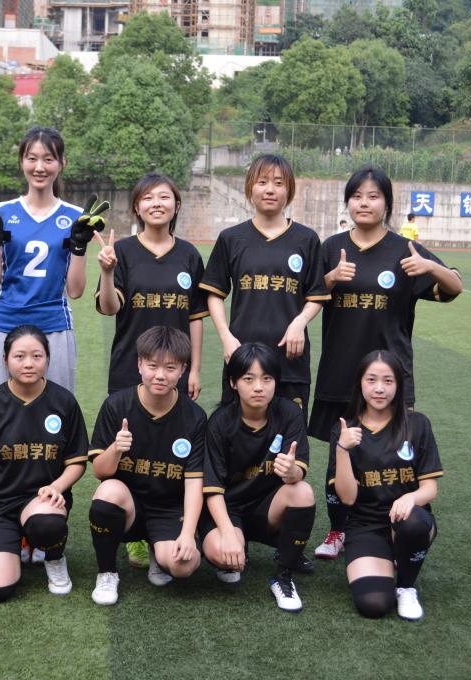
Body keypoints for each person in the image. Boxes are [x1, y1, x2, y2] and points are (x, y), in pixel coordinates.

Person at [309, 165, 461, 561]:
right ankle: (339, 531)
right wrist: (330, 279)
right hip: (341, 372)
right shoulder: (331, 247)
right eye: (357, 196)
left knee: (393, 455)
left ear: (387, 204)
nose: (364, 203)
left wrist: (431, 267)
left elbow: (455, 287)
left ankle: (395, 527)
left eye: (373, 196)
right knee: (340, 454)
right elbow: (304, 297)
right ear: (348, 202)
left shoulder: (404, 250)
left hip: (391, 378)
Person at [94, 172, 209, 570]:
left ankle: (165, 524)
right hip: (130, 367)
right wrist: (107, 271)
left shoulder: (189, 255)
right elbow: (109, 307)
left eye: (164, 197)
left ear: (177, 205)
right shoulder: (122, 251)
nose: (156, 203)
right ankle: (133, 532)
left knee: (167, 447)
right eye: (148, 197)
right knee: (127, 447)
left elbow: (196, 317)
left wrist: (194, 368)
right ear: (137, 206)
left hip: (174, 371)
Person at [0, 126, 109, 394]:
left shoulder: (75, 216)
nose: (39, 167)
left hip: (54, 323)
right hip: (6, 321)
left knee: (56, 406)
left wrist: (79, 247)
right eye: (32, 158)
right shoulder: (0, 213)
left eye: (48, 159)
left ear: (62, 163)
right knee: (2, 407)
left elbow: (75, 290)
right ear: (21, 161)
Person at [0, 325, 89, 602]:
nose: (28, 363)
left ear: (48, 358)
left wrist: (57, 487)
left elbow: (77, 462)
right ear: (5, 359)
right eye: (19, 356)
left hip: (43, 500)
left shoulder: (64, 402)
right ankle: (15, 542)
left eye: (37, 356)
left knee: (47, 525)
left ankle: (53, 557)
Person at [200, 154, 330, 415]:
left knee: (289, 434)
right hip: (241, 357)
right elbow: (214, 294)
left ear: (289, 190)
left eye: (279, 183)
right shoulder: (231, 238)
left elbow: (316, 294)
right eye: (262, 182)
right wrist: (226, 337)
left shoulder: (306, 239)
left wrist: (300, 322)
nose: (270, 189)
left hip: (290, 360)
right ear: (250, 187)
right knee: (237, 434)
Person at [87, 327, 206, 605]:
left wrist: (188, 534)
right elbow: (100, 472)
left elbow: (193, 481)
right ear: (140, 364)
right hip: (129, 505)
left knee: (183, 566)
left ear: (183, 370)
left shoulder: (195, 417)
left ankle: (157, 549)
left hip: (168, 509)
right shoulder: (116, 405)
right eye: (152, 366)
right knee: (108, 493)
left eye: (170, 368)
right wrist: (116, 448)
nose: (160, 375)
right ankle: (107, 573)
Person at [200, 343, 316, 613]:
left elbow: (298, 471)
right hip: (229, 508)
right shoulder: (220, 422)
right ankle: (237, 544)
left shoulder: (289, 413)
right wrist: (228, 534)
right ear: (233, 382)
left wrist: (291, 472)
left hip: (267, 506)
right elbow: (213, 489)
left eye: (267, 379)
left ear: (276, 381)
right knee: (227, 558)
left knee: (302, 491)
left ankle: (283, 575)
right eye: (248, 379)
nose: (258, 387)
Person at [331, 351, 443, 621]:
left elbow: (430, 489)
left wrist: (411, 498)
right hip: (365, 526)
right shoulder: (346, 429)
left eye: (388, 381)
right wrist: (342, 449)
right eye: (371, 380)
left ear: (399, 385)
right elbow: (347, 498)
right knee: (374, 604)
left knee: (412, 522)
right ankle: (390, 558)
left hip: (407, 519)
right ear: (360, 383)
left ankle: (406, 586)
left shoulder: (417, 424)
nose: (379, 388)